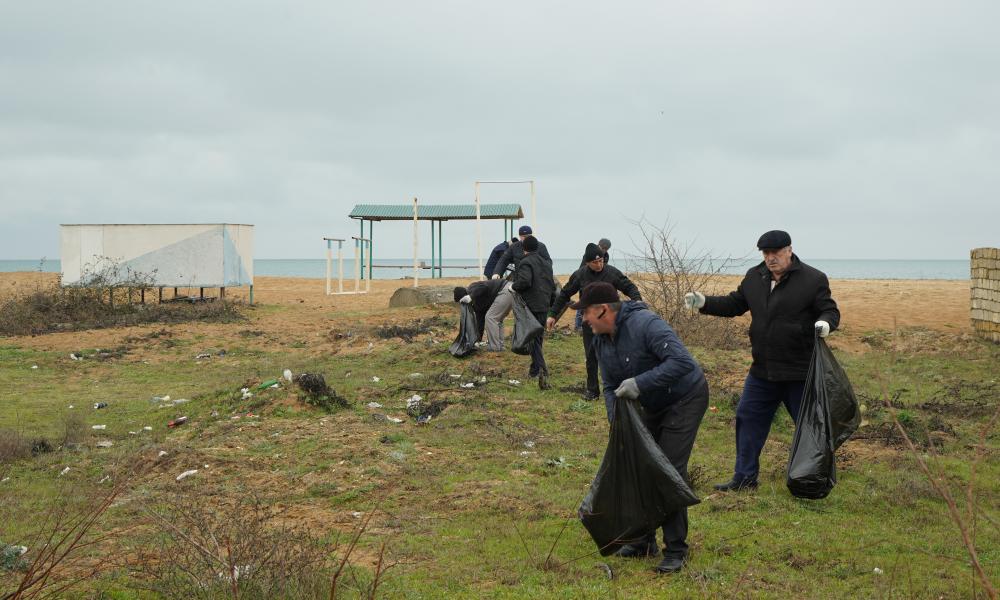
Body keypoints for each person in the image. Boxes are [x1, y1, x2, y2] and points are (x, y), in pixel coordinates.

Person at [684, 230, 840, 492]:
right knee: (747, 418)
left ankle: (818, 477)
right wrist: (704, 303)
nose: (770, 258)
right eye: (766, 253)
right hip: (763, 371)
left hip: (799, 372)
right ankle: (744, 479)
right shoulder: (754, 277)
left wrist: (825, 324)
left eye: (775, 252)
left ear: (789, 250)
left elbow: (830, 310)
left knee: (811, 427)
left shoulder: (813, 279)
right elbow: (734, 304)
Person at [578, 281, 709, 574]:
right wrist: (617, 424)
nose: (583, 319)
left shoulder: (647, 325)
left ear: (602, 310)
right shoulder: (601, 341)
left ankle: (676, 549)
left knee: (666, 469)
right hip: (650, 405)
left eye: (585, 312)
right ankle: (642, 541)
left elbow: (682, 362)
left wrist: (640, 383)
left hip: (684, 398)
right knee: (638, 464)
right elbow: (609, 385)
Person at [547, 243, 642, 400]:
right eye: (595, 262)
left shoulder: (612, 272)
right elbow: (564, 294)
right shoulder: (580, 275)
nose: (599, 265)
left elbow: (629, 287)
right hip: (590, 322)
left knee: (616, 355)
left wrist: (637, 301)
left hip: (611, 322)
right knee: (591, 356)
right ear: (587, 262)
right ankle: (592, 391)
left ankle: (619, 388)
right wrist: (552, 314)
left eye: (601, 261)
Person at [484, 225, 552, 350]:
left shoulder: (540, 246)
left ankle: (534, 342)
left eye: (527, 236)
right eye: (523, 236)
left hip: (534, 285)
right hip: (520, 285)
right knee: (520, 313)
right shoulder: (514, 247)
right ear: (519, 236)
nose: (525, 238)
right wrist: (497, 273)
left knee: (533, 314)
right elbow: (503, 259)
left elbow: (548, 263)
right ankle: (522, 341)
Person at [511, 235, 555, 390]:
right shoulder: (546, 263)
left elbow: (525, 281)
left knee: (533, 339)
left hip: (531, 305)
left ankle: (542, 370)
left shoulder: (526, 262)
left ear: (524, 249)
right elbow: (551, 284)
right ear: (537, 247)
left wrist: (513, 286)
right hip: (544, 304)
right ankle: (535, 370)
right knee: (538, 338)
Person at [453, 278, 507, 343]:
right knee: (495, 319)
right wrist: (478, 340)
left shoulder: (472, 288)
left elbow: (484, 287)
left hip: (503, 288)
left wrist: (471, 296)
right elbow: (480, 321)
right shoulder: (476, 305)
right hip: (499, 296)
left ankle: (495, 345)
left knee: (490, 318)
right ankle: (498, 344)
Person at [574, 238, 612, 331]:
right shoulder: (589, 254)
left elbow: (603, 269)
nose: (604, 250)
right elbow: (582, 269)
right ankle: (578, 326)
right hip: (585, 282)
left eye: (606, 249)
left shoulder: (606, 256)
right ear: (598, 245)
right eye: (603, 248)